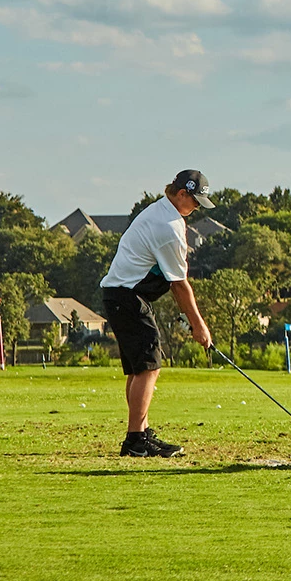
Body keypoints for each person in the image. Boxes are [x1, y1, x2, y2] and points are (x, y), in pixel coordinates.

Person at [99, 170, 215, 457]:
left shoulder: (159, 211)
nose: (198, 208)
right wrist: (199, 326)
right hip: (127, 296)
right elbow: (179, 285)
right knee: (150, 367)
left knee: (140, 369)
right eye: (195, 201)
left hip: (121, 295)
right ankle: (135, 440)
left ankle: (141, 433)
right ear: (181, 194)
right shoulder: (168, 225)